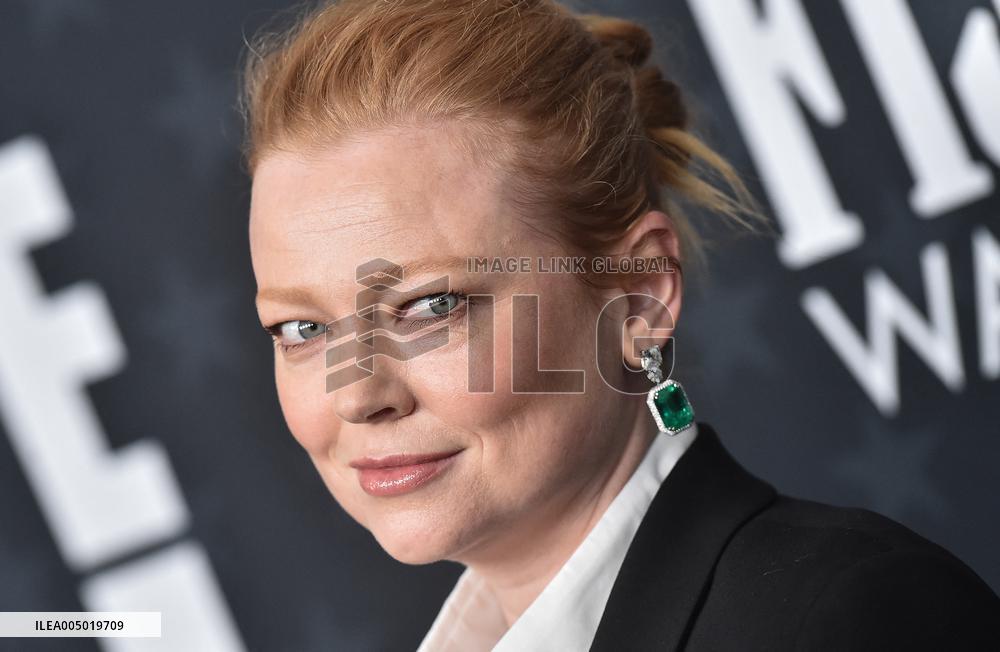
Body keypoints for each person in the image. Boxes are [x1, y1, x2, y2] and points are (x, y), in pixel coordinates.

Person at [240, 0, 1000, 649]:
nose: (356, 395)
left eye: (431, 306)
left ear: (638, 295)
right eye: (302, 330)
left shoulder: (843, 620)